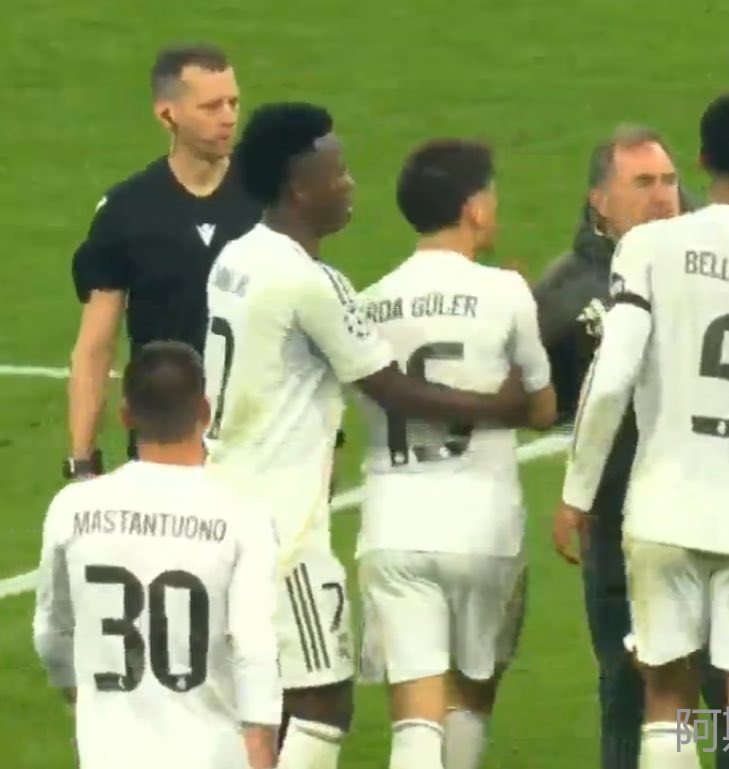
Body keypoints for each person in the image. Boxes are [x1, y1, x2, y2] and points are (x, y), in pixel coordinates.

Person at [203, 102, 534, 769]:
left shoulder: (234, 257)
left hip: (223, 497)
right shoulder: (312, 282)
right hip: (283, 529)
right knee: (322, 700)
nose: (350, 185)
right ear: (300, 187)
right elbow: (392, 386)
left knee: (258, 696)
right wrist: (499, 404)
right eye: (338, 173)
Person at [557, 88, 729, 769]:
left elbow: (611, 376)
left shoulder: (648, 246)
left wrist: (577, 493)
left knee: (666, 694)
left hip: (663, 507)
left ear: (702, 160)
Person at [354, 138, 558, 769]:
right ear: (474, 207)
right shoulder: (506, 291)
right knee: (469, 697)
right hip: (483, 529)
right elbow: (542, 410)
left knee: (415, 718)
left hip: (393, 527)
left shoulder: (367, 302)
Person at [539, 125, 729, 769]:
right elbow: (551, 400)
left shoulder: (720, 269)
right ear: (600, 200)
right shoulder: (567, 290)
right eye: (643, 183)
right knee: (628, 684)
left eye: (669, 180)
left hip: (718, 509)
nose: (662, 196)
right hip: (619, 520)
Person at [33, 340, 281, 769]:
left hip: (108, 755)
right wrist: (261, 750)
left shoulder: (73, 508)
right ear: (205, 412)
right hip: (212, 756)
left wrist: (81, 700)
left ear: (125, 415)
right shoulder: (243, 514)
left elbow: (51, 633)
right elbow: (254, 647)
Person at [65, 43, 259, 480]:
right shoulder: (125, 211)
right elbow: (96, 345)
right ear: (167, 114)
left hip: (258, 443)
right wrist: (81, 458)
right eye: (211, 106)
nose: (228, 117)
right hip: (164, 445)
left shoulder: (268, 198)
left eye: (233, 102)